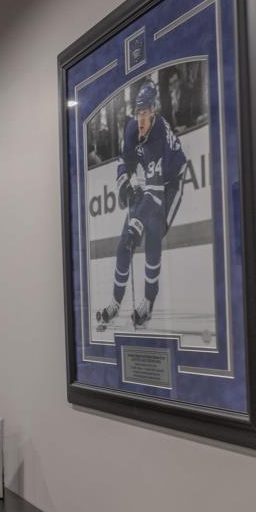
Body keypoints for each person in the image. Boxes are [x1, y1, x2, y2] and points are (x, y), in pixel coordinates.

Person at [96, 78, 187, 329]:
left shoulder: (158, 138)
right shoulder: (131, 128)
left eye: (145, 113)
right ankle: (115, 302)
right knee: (123, 244)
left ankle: (148, 300)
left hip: (170, 184)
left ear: (154, 111)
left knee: (153, 232)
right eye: (138, 113)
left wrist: (137, 224)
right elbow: (123, 161)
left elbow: (155, 197)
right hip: (151, 184)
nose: (141, 119)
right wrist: (123, 181)